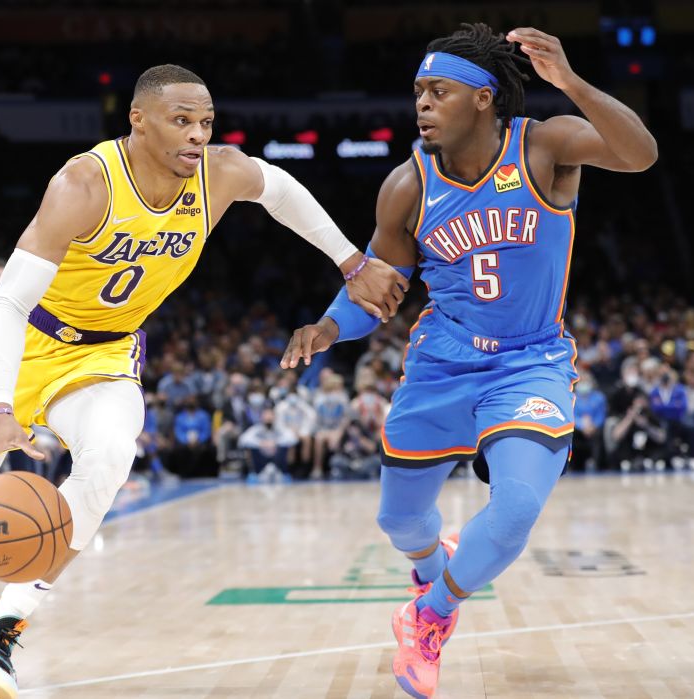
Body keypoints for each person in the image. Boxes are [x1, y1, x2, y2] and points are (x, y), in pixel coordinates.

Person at [0, 64, 406, 696]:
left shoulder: (218, 174)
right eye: (181, 121)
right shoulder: (84, 183)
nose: (196, 136)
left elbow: (282, 189)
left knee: (109, 462)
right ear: (138, 120)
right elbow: (8, 306)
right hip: (23, 342)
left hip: (104, 355)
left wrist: (351, 262)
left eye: (205, 123)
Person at [281, 24, 657, 697]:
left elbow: (640, 153)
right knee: (398, 521)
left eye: (439, 91)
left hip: (529, 363)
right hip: (441, 363)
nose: (421, 104)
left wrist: (569, 82)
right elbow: (378, 289)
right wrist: (326, 327)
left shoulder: (544, 146)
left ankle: (430, 614)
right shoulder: (407, 184)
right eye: (419, 91)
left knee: (513, 510)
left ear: (484, 98)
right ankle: (433, 570)